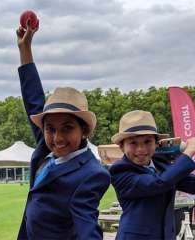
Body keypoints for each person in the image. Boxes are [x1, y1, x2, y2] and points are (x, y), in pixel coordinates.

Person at [16, 21, 110, 240]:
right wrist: (25, 49)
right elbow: (33, 98)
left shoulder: (93, 174)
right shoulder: (46, 147)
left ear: (84, 130)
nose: (57, 138)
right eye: (50, 129)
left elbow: (88, 229)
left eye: (67, 128)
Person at [109, 110, 195, 240]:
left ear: (156, 143)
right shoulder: (119, 171)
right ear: (122, 146)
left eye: (147, 141)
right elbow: (158, 183)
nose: (141, 149)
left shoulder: (161, 164)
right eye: (133, 143)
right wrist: (189, 152)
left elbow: (191, 184)